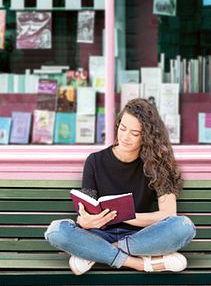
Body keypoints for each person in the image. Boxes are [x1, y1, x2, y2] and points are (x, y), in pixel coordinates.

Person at [45, 98, 196, 274]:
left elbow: (168, 214)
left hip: (141, 236)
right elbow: (86, 207)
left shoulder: (158, 164)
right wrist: (84, 221)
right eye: (122, 128)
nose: (124, 137)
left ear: (147, 136)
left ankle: (94, 253)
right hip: (99, 233)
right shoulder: (95, 161)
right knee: (56, 231)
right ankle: (140, 264)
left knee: (184, 226)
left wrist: (125, 217)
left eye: (134, 133)